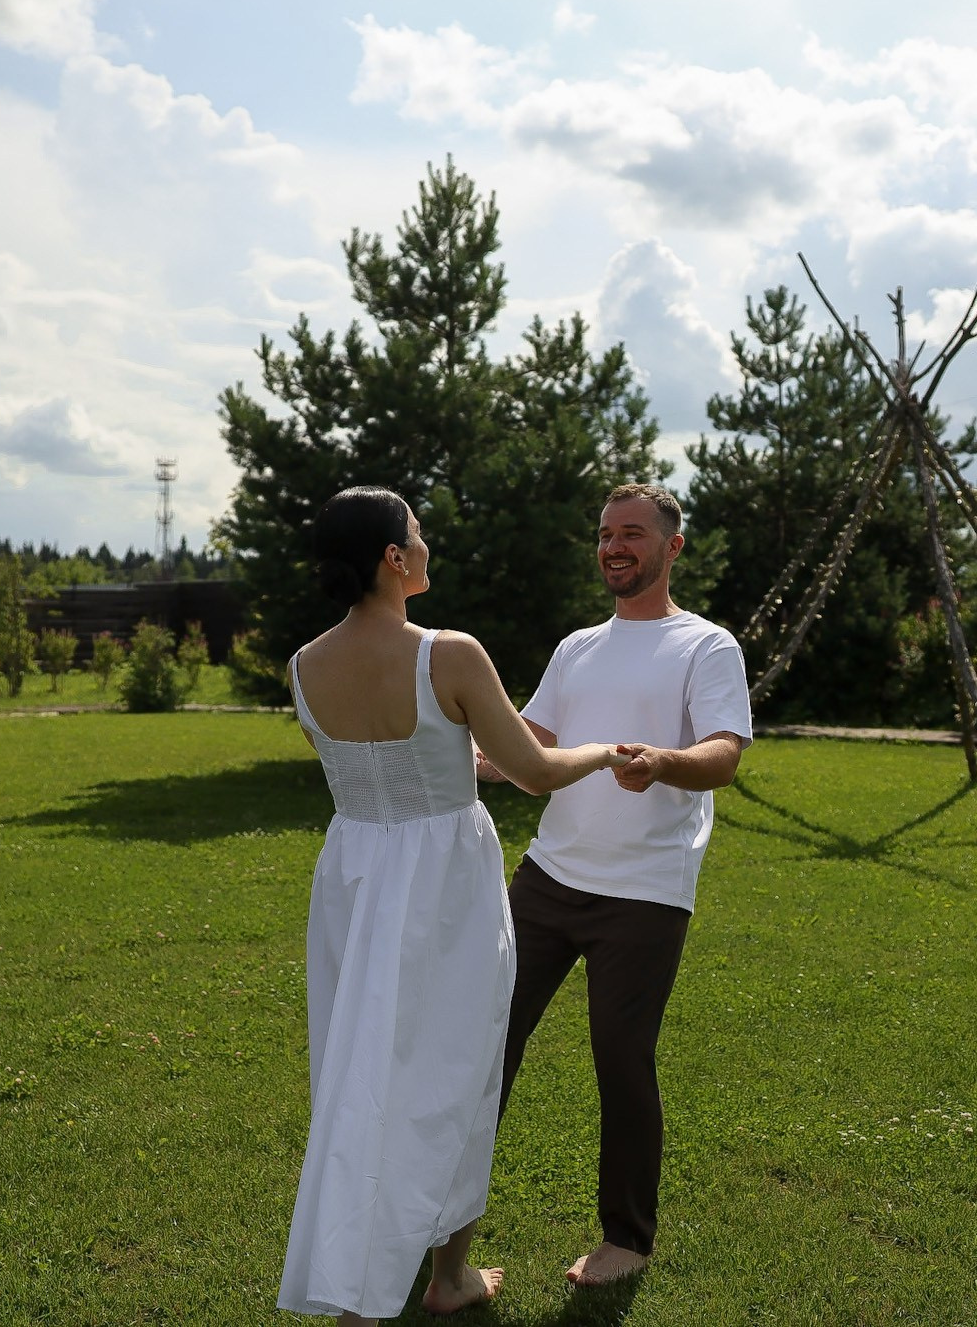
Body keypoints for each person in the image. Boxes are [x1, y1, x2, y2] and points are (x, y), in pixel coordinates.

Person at [278, 486, 635, 1326]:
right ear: (394, 560)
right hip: (443, 882)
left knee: (359, 1066)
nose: (428, 543)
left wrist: (454, 754)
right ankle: (448, 1277)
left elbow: (369, 763)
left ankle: (365, 1279)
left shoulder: (301, 666)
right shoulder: (450, 652)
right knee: (457, 1067)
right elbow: (537, 770)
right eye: (418, 532)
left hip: (356, 874)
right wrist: (601, 750)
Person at [478, 482, 753, 1288]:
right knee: (484, 1041)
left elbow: (725, 753)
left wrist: (663, 761)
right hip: (550, 876)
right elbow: (528, 747)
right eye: (604, 534)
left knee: (621, 1057)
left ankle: (627, 1237)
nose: (613, 547)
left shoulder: (707, 646)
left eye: (632, 534)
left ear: (672, 547)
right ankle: (439, 1222)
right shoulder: (576, 648)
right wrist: (466, 761)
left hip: (646, 891)